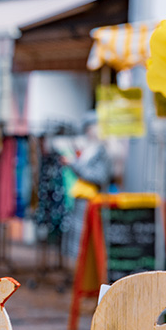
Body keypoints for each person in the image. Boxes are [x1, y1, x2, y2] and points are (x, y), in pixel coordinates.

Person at [62, 111, 111, 262]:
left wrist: (74, 164)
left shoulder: (100, 151)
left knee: (87, 242)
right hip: (81, 200)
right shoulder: (88, 149)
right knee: (78, 242)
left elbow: (99, 176)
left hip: (92, 201)